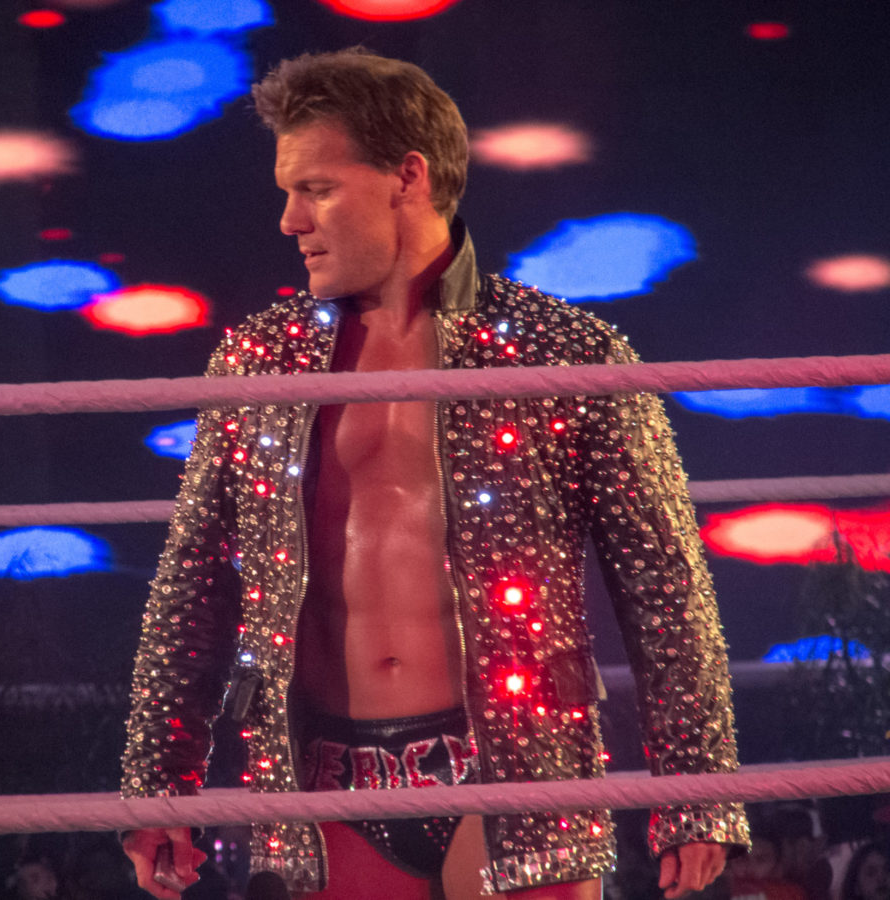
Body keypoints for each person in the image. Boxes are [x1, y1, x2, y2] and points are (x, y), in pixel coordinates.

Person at [121, 48, 749, 899]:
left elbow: (665, 589)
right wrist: (160, 784)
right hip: (326, 783)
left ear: (407, 178)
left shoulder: (564, 354)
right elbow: (194, 580)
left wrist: (696, 796)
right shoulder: (259, 362)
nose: (289, 221)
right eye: (287, 192)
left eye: (317, 189)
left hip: (520, 776)